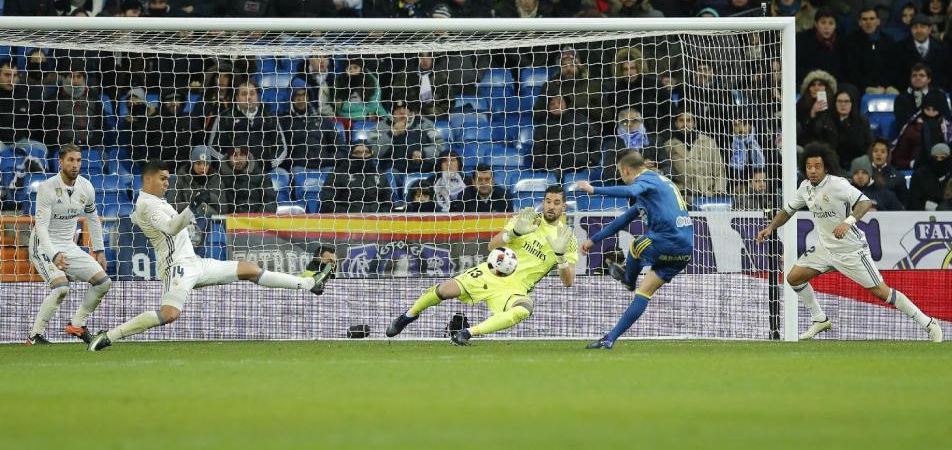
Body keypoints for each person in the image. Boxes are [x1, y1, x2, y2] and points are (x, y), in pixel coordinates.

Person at [88, 159, 333, 351]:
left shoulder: (157, 201)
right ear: (148, 179)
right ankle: (110, 336)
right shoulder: (147, 205)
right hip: (178, 267)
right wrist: (192, 206)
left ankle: (308, 283)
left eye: (168, 179)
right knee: (169, 314)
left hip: (195, 263)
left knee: (247, 268)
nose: (166, 183)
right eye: (162, 179)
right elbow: (172, 227)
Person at [756, 143, 942, 342]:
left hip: (851, 250)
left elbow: (865, 202)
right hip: (826, 248)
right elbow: (788, 211)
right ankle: (820, 319)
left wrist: (848, 222)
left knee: (882, 292)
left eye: (817, 166)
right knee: (794, 277)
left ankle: (929, 323)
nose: (812, 170)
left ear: (826, 167)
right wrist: (771, 228)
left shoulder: (837, 185)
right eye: (809, 166)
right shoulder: (805, 188)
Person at [386, 187, 577, 345]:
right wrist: (514, 234)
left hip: (515, 288)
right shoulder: (526, 219)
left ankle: (467, 333)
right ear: (543, 202)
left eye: (556, 202)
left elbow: (568, 282)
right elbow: (492, 245)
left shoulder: (567, 239)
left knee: (524, 309)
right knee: (444, 290)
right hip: (491, 272)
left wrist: (561, 257)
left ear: (564, 206)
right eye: (548, 201)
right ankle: (409, 316)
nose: (551, 206)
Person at [575, 149, 694, 349]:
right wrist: (593, 240)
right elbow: (622, 221)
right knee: (644, 293)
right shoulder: (655, 188)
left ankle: (628, 280)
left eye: (620, 172)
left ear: (626, 170)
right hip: (685, 249)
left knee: (637, 245)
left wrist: (593, 189)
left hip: (669, 240)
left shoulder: (647, 180)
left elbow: (630, 191)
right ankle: (610, 338)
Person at [26, 144, 110, 345]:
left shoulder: (86, 187)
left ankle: (77, 324)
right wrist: (53, 254)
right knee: (61, 289)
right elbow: (42, 228)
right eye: (70, 160)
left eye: (78, 160)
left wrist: (99, 250)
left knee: (103, 282)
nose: (75, 165)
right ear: (61, 162)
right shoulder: (47, 188)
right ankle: (34, 336)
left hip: (68, 245)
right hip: (43, 245)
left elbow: (93, 218)